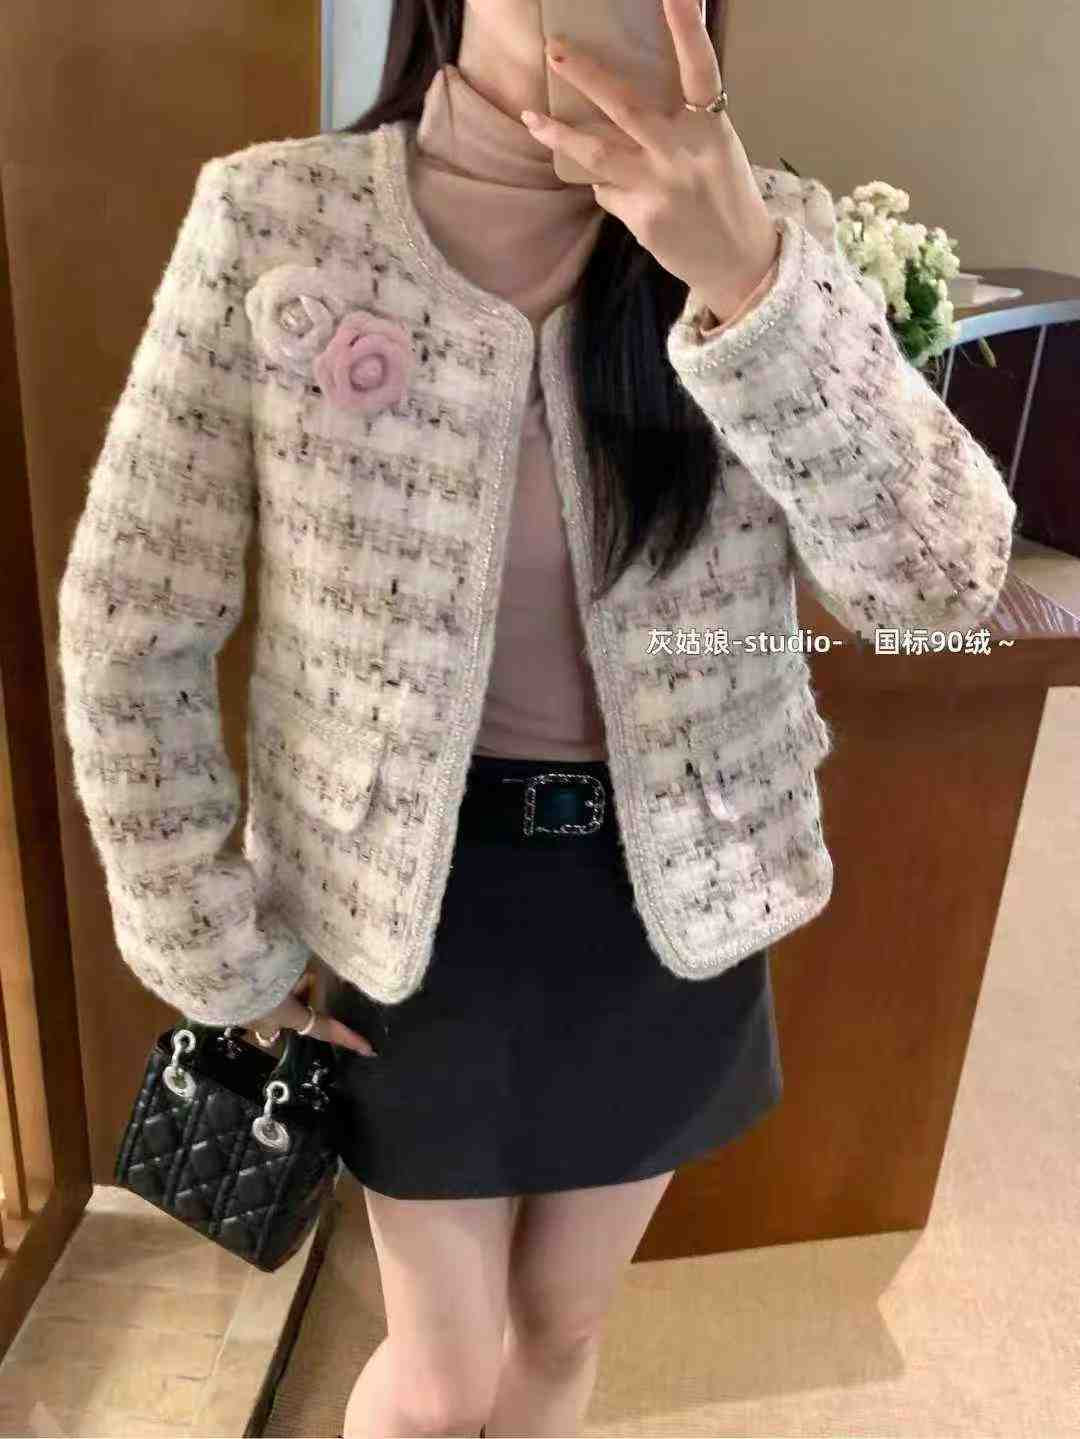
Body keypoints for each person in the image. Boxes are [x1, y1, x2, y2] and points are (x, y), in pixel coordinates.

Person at [56, 1, 1016, 1435]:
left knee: (564, 1331)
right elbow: (132, 618)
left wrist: (748, 277)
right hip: (403, 914)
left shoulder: (773, 234)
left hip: (667, 896)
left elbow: (937, 587)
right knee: (441, 1381)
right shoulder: (277, 218)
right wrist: (211, 941)